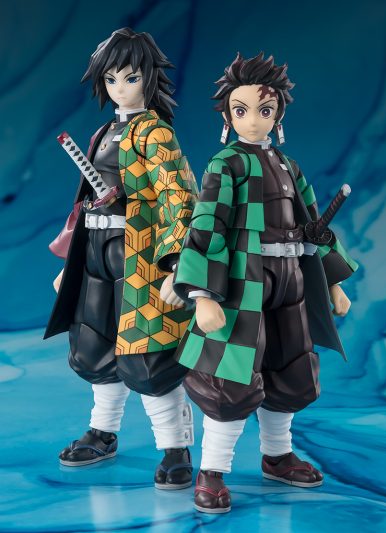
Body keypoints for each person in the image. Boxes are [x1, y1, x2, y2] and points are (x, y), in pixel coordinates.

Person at [172, 52, 358, 512]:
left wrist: (332, 282)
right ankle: (212, 470)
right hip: (242, 281)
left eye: (265, 109)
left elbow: (314, 226)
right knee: (230, 377)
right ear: (227, 116)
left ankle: (277, 456)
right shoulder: (226, 165)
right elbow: (208, 227)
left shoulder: (289, 167)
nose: (253, 120)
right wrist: (203, 295)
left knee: (290, 370)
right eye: (241, 110)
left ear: (278, 115)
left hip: (290, 280)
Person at [44, 28, 198, 490]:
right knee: (95, 348)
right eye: (111, 79)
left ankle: (174, 446)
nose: (119, 88)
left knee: (148, 356)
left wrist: (178, 264)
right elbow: (83, 204)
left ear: (148, 78)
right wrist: (69, 263)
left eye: (129, 77)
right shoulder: (103, 133)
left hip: (141, 257)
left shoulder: (156, 134)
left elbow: (178, 197)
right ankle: (103, 431)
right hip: (96, 252)